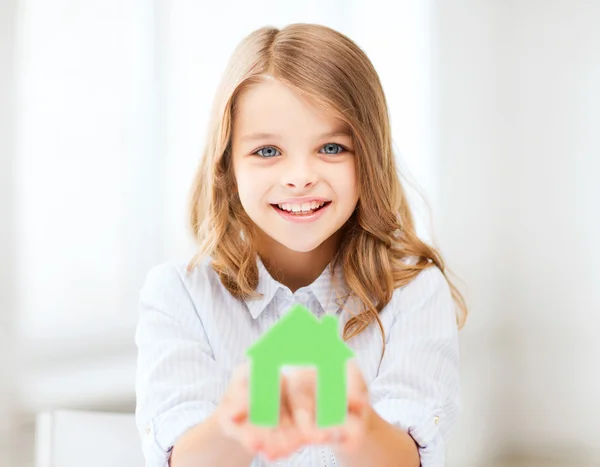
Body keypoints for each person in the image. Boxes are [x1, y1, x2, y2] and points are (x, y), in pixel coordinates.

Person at [134, 22, 468, 467]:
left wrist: (355, 422)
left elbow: (407, 458)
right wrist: (243, 418)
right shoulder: (179, 294)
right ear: (227, 165)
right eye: (268, 151)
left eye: (331, 148)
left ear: (369, 157)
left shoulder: (414, 293)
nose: (299, 176)